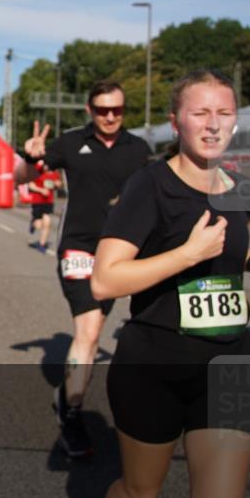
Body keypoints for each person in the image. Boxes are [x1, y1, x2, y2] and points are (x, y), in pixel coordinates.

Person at [91, 69, 250, 498]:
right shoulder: (149, 185)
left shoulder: (239, 189)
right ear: (176, 123)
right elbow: (105, 280)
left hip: (229, 364)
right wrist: (188, 255)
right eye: (200, 113)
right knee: (139, 495)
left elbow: (221, 251)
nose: (213, 124)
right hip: (155, 364)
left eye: (224, 113)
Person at [19, 79, 151, 458]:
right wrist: (30, 158)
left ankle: (65, 395)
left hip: (118, 254)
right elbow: (23, 178)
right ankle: (72, 417)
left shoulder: (138, 149)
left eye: (117, 110)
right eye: (102, 110)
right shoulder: (69, 142)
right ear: (90, 110)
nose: (110, 116)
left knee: (95, 333)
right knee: (89, 332)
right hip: (77, 248)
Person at [27, 167, 61, 253]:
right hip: (37, 201)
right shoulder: (37, 172)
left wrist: (57, 184)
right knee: (39, 225)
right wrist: (41, 190)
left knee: (47, 223)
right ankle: (33, 223)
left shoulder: (55, 174)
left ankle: (42, 244)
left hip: (48, 202)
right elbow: (30, 185)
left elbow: (59, 184)